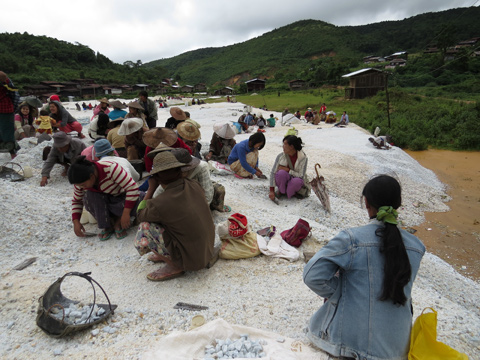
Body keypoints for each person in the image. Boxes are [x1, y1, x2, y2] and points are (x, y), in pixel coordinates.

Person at [303, 175, 425, 360]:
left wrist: (341, 292)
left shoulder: (352, 239)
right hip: (399, 349)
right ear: (398, 204)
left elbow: (312, 275)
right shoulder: (416, 246)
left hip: (355, 348)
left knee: (342, 280)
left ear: (366, 202)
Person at [133, 150, 215, 281]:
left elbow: (139, 215)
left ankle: (174, 265)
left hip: (193, 260)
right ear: (180, 171)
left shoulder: (160, 202)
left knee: (145, 227)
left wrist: (150, 190)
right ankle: (168, 254)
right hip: (206, 250)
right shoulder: (194, 184)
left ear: (157, 178)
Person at [68, 156, 141, 241]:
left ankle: (118, 220)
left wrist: (126, 213)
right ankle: (108, 224)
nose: (82, 188)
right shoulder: (81, 182)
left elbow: (132, 188)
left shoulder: (111, 169)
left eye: (83, 185)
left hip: (120, 199)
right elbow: (77, 200)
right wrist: (76, 221)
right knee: (88, 197)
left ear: (92, 177)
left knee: (141, 199)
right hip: (105, 203)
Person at [269, 135, 309, 201]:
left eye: (285, 144)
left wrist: (288, 170)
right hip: (286, 178)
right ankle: (282, 191)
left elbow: (301, 175)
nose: (283, 146)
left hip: (295, 180)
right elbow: (273, 173)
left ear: (291, 147)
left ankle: (291, 192)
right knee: (280, 173)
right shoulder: (281, 156)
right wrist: (271, 191)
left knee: (296, 181)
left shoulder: (303, 158)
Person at [0, 71, 20, 158]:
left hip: (6, 110)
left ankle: (13, 153)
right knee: (7, 132)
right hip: (7, 109)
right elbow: (15, 97)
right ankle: (11, 152)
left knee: (7, 132)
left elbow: (15, 96)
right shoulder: (8, 81)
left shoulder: (7, 82)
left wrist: (13, 109)